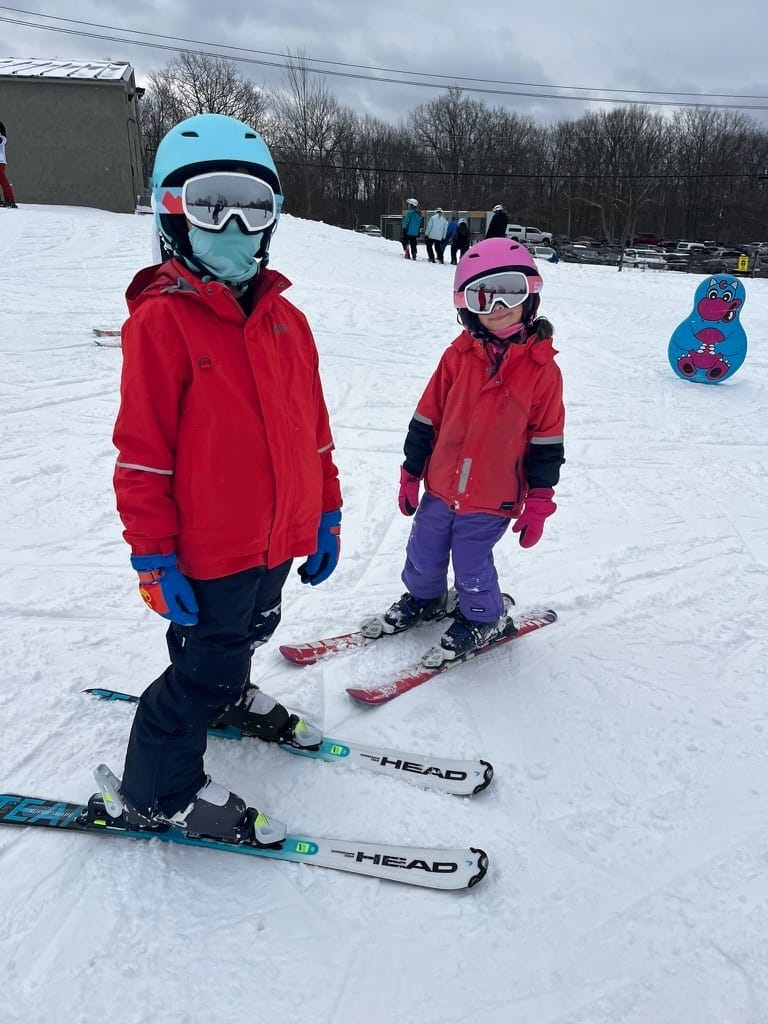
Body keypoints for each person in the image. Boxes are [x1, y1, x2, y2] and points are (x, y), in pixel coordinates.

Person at [106, 114, 342, 844]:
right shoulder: (161, 323)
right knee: (202, 667)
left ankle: (231, 694)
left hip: (277, 538)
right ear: (172, 213)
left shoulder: (288, 322)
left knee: (254, 627)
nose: (234, 225)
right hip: (208, 549)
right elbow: (142, 455)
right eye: (212, 205)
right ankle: (158, 790)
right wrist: (152, 555)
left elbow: (316, 432)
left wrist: (325, 515)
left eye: (254, 206)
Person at [361, 237, 564, 666]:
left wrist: (540, 501)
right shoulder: (456, 357)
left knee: (471, 559)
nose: (497, 307)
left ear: (531, 293)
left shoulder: (543, 372)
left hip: (492, 495)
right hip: (440, 485)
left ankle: (483, 616)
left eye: (511, 291)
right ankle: (426, 598)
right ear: (466, 304)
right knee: (423, 549)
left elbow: (547, 440)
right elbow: (426, 418)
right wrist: (410, 472)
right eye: (483, 296)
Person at [0, 120, 17, 208]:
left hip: (0, 160)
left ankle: (10, 200)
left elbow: (3, 140)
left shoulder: (0, 127)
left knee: (2, 179)